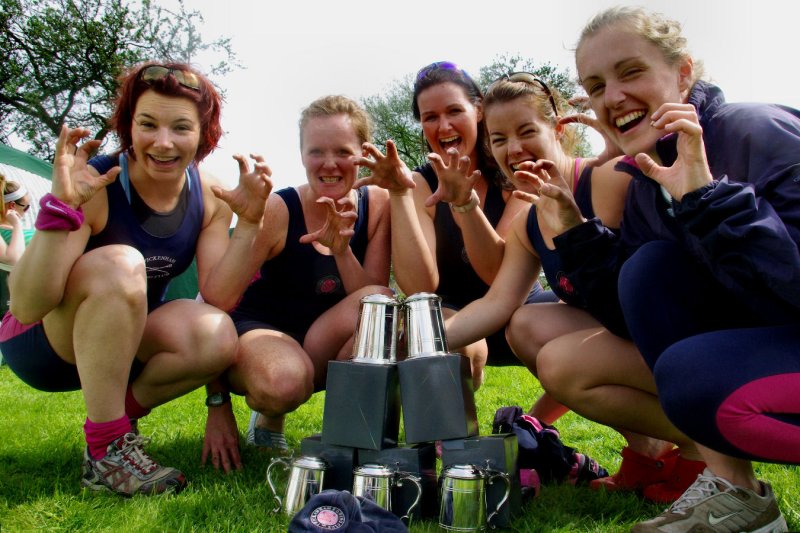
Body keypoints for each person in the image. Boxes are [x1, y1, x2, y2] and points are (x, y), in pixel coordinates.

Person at [537, 6, 798, 531]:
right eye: (595, 85)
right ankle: (737, 497)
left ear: (683, 73)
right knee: (648, 270)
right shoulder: (648, 184)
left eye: (630, 71)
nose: (612, 97)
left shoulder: (757, 131)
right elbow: (631, 314)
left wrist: (708, 197)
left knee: (694, 378)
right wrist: (577, 231)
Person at [0, 62, 272, 497]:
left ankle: (111, 431)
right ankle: (107, 453)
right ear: (129, 126)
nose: (163, 143)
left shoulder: (210, 196)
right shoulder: (99, 182)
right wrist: (60, 207)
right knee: (123, 263)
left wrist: (252, 222)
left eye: (181, 128)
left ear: (204, 135)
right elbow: (29, 305)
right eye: (147, 124)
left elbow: (218, 296)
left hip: (124, 344)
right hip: (44, 344)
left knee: (217, 334)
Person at [201, 95, 391, 469]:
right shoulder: (278, 208)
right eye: (316, 151)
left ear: (363, 154)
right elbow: (215, 301)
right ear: (302, 154)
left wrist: (341, 250)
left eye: (343, 151)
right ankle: (271, 413)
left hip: (324, 339)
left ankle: (347, 440)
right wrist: (217, 404)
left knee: (380, 303)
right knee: (285, 383)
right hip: (264, 331)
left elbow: (368, 298)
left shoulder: (378, 204)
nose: (329, 163)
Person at [357, 62, 555, 389]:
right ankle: (451, 438)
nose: (444, 126)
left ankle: (537, 422)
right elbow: (419, 285)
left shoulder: (515, 172)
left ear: (478, 110)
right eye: (430, 117)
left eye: (454, 111)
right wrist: (398, 192)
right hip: (454, 318)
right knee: (458, 342)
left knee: (578, 324)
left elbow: (497, 276)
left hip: (518, 310)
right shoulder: (418, 184)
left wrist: (464, 205)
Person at [0, 175, 30, 266]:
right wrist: (17, 224)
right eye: (26, 207)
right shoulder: (26, 234)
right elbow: (13, 260)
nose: (26, 212)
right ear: (12, 206)